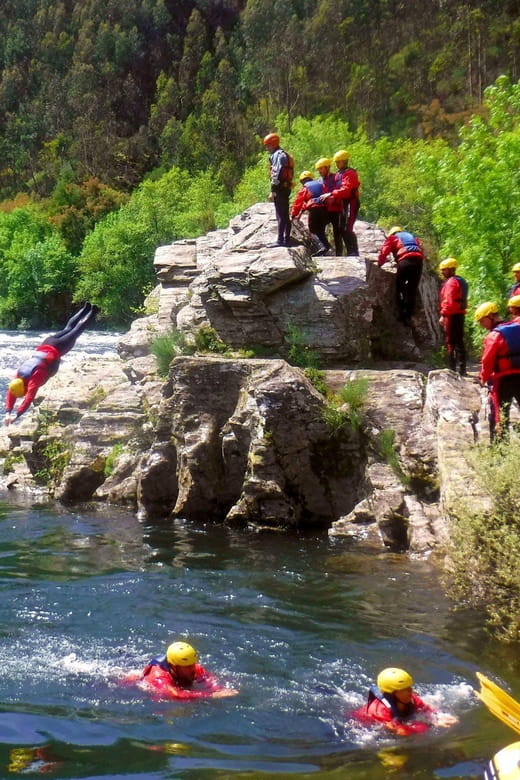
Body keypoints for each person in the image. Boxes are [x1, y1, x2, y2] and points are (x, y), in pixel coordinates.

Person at [4, 302, 98, 423]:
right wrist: (8, 413)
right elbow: (11, 393)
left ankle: (93, 311)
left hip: (58, 347)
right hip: (47, 342)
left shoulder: (34, 378)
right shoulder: (19, 375)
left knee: (76, 330)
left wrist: (17, 415)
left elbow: (29, 398)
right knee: (68, 328)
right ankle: (85, 309)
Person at [351, 667, 458, 736]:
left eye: (409, 687)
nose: (410, 691)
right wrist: (430, 725)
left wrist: (438, 717)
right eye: (404, 690)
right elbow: (401, 732)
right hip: (362, 726)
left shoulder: (412, 698)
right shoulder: (379, 711)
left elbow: (427, 710)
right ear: (391, 694)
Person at [132, 641, 238, 701]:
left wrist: (218, 690)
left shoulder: (194, 667)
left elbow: (209, 680)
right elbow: (175, 694)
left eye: (192, 664)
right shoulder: (159, 676)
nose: (192, 668)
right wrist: (209, 696)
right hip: (138, 687)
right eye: (186, 667)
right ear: (174, 666)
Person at [478, 294, 520, 440]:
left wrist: (483, 379)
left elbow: (487, 361)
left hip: (502, 380)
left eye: (482, 321)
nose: (481, 325)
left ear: (490, 317)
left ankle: (499, 449)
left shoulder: (494, 336)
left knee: (499, 415)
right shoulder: (516, 327)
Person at [378, 226, 424, 325]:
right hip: (418, 262)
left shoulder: (392, 238)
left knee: (400, 286)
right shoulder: (412, 237)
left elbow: (384, 251)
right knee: (412, 289)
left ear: (392, 233)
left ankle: (401, 312)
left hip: (405, 261)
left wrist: (379, 264)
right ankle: (409, 315)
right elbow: (419, 247)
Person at [318, 149, 360, 256]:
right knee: (341, 228)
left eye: (338, 162)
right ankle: (350, 251)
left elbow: (347, 188)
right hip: (343, 203)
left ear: (344, 161)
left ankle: (353, 251)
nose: (336, 164)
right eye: (336, 162)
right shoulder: (338, 174)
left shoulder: (350, 173)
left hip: (351, 202)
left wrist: (331, 194)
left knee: (347, 227)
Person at [262, 133, 294, 248]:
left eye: (268, 145)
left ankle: (281, 240)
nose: (267, 148)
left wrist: (273, 190)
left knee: (281, 214)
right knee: (285, 214)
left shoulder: (277, 155)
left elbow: (276, 174)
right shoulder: (284, 154)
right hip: (286, 187)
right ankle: (287, 239)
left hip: (280, 188)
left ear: (273, 144)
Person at [290, 170, 332, 255]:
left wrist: (293, 214)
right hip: (325, 210)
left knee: (313, 230)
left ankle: (322, 246)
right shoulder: (321, 184)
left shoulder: (305, 188)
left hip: (314, 209)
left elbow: (298, 203)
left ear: (302, 181)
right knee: (320, 230)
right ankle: (326, 247)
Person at [439, 257, 468, 375]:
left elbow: (449, 301)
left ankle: (451, 369)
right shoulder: (462, 280)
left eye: (444, 270)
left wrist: (443, 314)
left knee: (450, 342)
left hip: (451, 315)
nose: (442, 272)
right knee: (459, 341)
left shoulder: (451, 282)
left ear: (451, 270)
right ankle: (462, 369)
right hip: (460, 314)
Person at [313, 157, 344, 256]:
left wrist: (331, 196)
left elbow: (340, 190)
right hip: (325, 209)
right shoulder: (319, 181)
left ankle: (339, 254)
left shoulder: (336, 178)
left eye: (321, 169)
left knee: (337, 232)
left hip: (336, 209)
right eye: (319, 169)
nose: (320, 171)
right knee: (317, 228)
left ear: (327, 167)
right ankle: (324, 248)